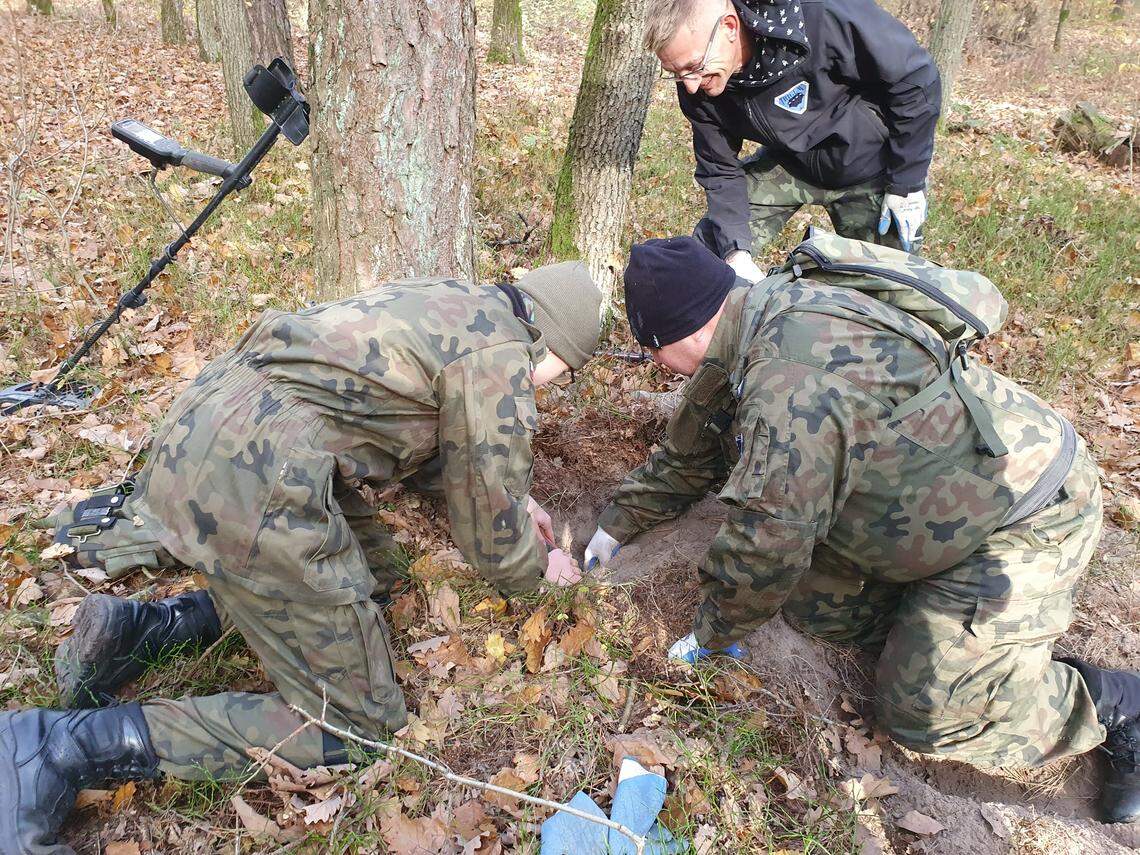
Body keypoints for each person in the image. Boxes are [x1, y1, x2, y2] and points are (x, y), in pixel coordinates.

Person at [0, 262, 602, 853]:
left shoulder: (458, 300)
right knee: (353, 729)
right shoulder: (501, 357)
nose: (551, 385)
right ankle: (58, 747)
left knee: (377, 582)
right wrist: (538, 568)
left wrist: (518, 501)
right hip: (261, 473)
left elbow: (442, 443)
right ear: (551, 340)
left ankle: (146, 630)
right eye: (564, 373)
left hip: (210, 424)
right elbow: (493, 542)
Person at [585, 235, 1140, 823]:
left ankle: (1113, 704)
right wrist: (613, 528)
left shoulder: (788, 381)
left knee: (926, 712)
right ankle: (951, 637)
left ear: (681, 332)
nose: (655, 367)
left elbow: (771, 540)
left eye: (652, 352)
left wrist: (710, 634)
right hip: (939, 503)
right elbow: (687, 456)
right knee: (813, 606)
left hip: (1021, 511)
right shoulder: (752, 321)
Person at [645, 0, 941, 277]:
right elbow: (719, 169)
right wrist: (736, 254)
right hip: (790, 163)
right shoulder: (696, 83)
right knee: (711, 255)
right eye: (676, 73)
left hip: (869, 163)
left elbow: (914, 79)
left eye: (694, 67)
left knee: (896, 286)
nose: (691, 85)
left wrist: (907, 182)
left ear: (730, 27)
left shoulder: (820, 15)